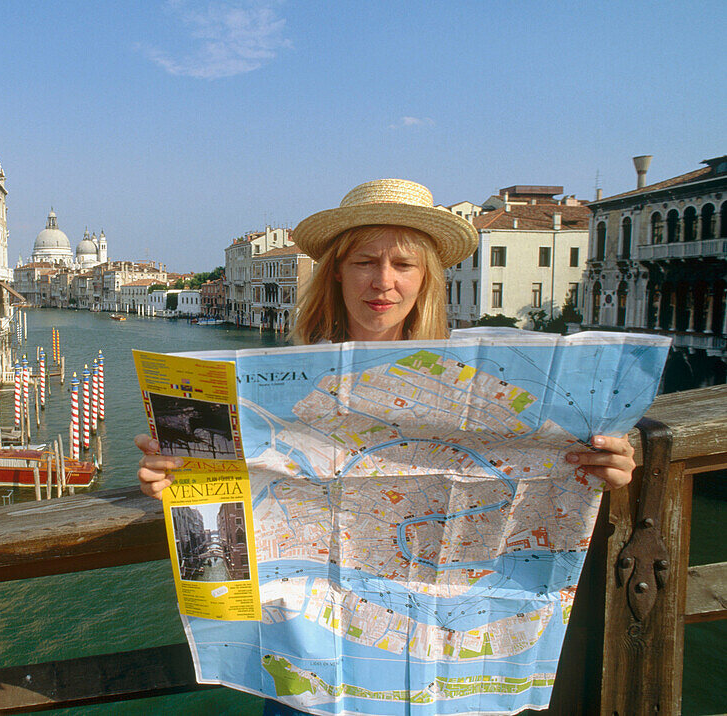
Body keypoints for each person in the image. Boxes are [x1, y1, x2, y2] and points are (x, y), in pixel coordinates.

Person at [134, 178, 635, 713]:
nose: (383, 281)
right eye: (365, 262)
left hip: (434, 675)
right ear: (337, 273)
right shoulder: (271, 387)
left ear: (427, 279)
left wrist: (602, 465)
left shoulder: (478, 387)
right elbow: (223, 516)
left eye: (404, 265)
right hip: (306, 670)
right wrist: (178, 478)